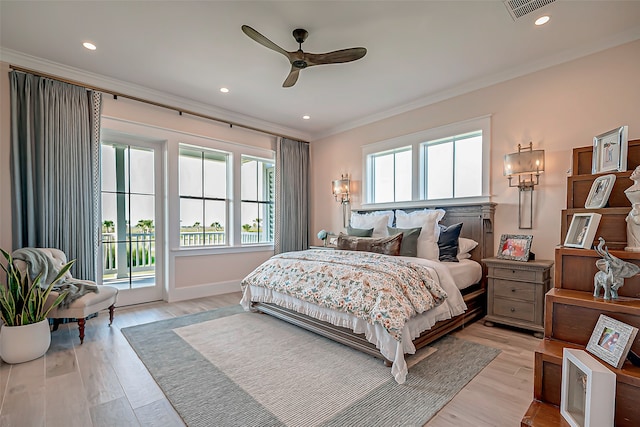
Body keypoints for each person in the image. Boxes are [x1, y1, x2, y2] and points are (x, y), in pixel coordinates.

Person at [625, 166, 640, 251]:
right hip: (633, 213)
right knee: (632, 232)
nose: (634, 172)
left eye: (637, 171)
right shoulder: (631, 188)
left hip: (637, 212)